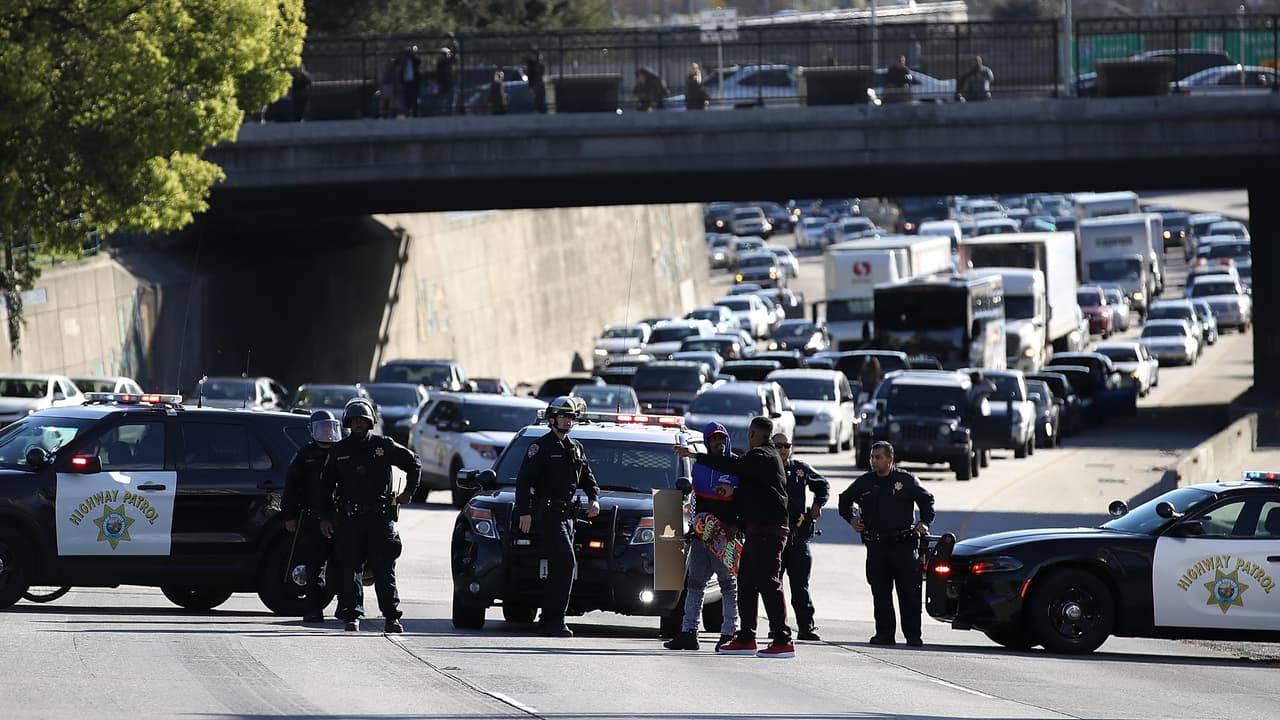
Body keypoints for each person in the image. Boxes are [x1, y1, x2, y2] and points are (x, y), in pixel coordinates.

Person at [675, 416, 794, 658]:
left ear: (752, 434)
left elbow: (733, 466)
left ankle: (783, 640)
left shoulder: (762, 455)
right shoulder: (762, 459)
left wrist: (695, 455)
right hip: (755, 531)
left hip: (768, 531)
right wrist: (734, 491)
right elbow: (754, 490)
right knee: (746, 582)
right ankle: (746, 638)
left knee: (769, 582)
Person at [320, 399, 421, 633]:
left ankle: (391, 617)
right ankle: (352, 615)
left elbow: (413, 463)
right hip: (350, 519)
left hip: (380, 519)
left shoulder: (383, 446)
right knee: (350, 569)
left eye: (363, 420)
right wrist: (325, 517)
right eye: (354, 420)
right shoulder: (339, 450)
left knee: (384, 570)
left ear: (370, 423)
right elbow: (325, 487)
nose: (358, 424)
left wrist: (409, 492)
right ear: (348, 423)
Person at [515, 396, 601, 637]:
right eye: (562, 416)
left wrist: (594, 498)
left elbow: (588, 478)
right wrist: (524, 512)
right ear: (551, 419)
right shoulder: (540, 447)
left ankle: (548, 620)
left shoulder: (576, 447)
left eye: (570, 417)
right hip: (548, 515)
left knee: (559, 568)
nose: (567, 421)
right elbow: (524, 481)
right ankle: (555, 620)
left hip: (568, 517)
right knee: (566, 563)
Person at [837, 441, 935, 646]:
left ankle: (913, 635)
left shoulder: (905, 480)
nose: (874, 461)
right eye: (872, 457)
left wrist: (924, 522)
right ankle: (884, 633)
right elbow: (844, 501)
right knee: (880, 591)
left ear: (890, 459)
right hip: (876, 545)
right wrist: (852, 519)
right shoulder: (865, 482)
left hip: (903, 545)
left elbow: (927, 501)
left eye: (878, 457)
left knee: (908, 592)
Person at [664, 422, 739, 652]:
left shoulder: (736, 465)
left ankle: (729, 633)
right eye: (714, 439)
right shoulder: (699, 467)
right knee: (695, 584)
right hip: (701, 537)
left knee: (728, 585)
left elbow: (743, 500)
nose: (719, 442)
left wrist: (735, 525)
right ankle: (689, 632)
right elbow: (696, 499)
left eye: (722, 438)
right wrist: (694, 526)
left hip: (725, 538)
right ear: (708, 442)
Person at [282, 410, 342, 622]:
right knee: (314, 566)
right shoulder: (305, 455)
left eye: (329, 427)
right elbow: (291, 487)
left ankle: (346, 608)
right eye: (322, 427)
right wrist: (289, 516)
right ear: (313, 430)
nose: (326, 432)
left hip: (341, 519)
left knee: (345, 565)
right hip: (313, 519)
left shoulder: (342, 452)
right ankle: (314, 609)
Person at [775, 432, 828, 641]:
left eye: (786, 445)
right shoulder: (766, 469)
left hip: (798, 536)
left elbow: (822, 484)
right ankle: (777, 627)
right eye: (778, 445)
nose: (782, 449)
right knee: (773, 586)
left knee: (800, 585)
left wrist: (818, 504)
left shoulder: (800, 469)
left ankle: (806, 627)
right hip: (773, 536)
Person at [398, 46, 422, 117]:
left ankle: (415, 113)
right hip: (406, 82)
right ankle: (407, 113)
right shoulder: (403, 61)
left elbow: (418, 61)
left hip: (414, 82)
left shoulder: (414, 60)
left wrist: (413, 55)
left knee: (414, 98)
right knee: (406, 98)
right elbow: (398, 64)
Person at [435, 47, 457, 116]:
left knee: (450, 98)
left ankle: (449, 112)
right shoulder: (441, 62)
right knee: (441, 98)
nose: (445, 56)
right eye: (443, 54)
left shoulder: (449, 61)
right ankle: (440, 112)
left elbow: (454, 59)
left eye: (445, 54)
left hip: (449, 82)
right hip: (442, 82)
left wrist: (453, 51)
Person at [526, 48, 548, 114]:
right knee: (537, 97)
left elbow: (540, 73)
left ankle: (541, 109)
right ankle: (538, 109)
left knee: (540, 97)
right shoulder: (532, 65)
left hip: (538, 83)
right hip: (536, 83)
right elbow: (530, 76)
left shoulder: (539, 65)